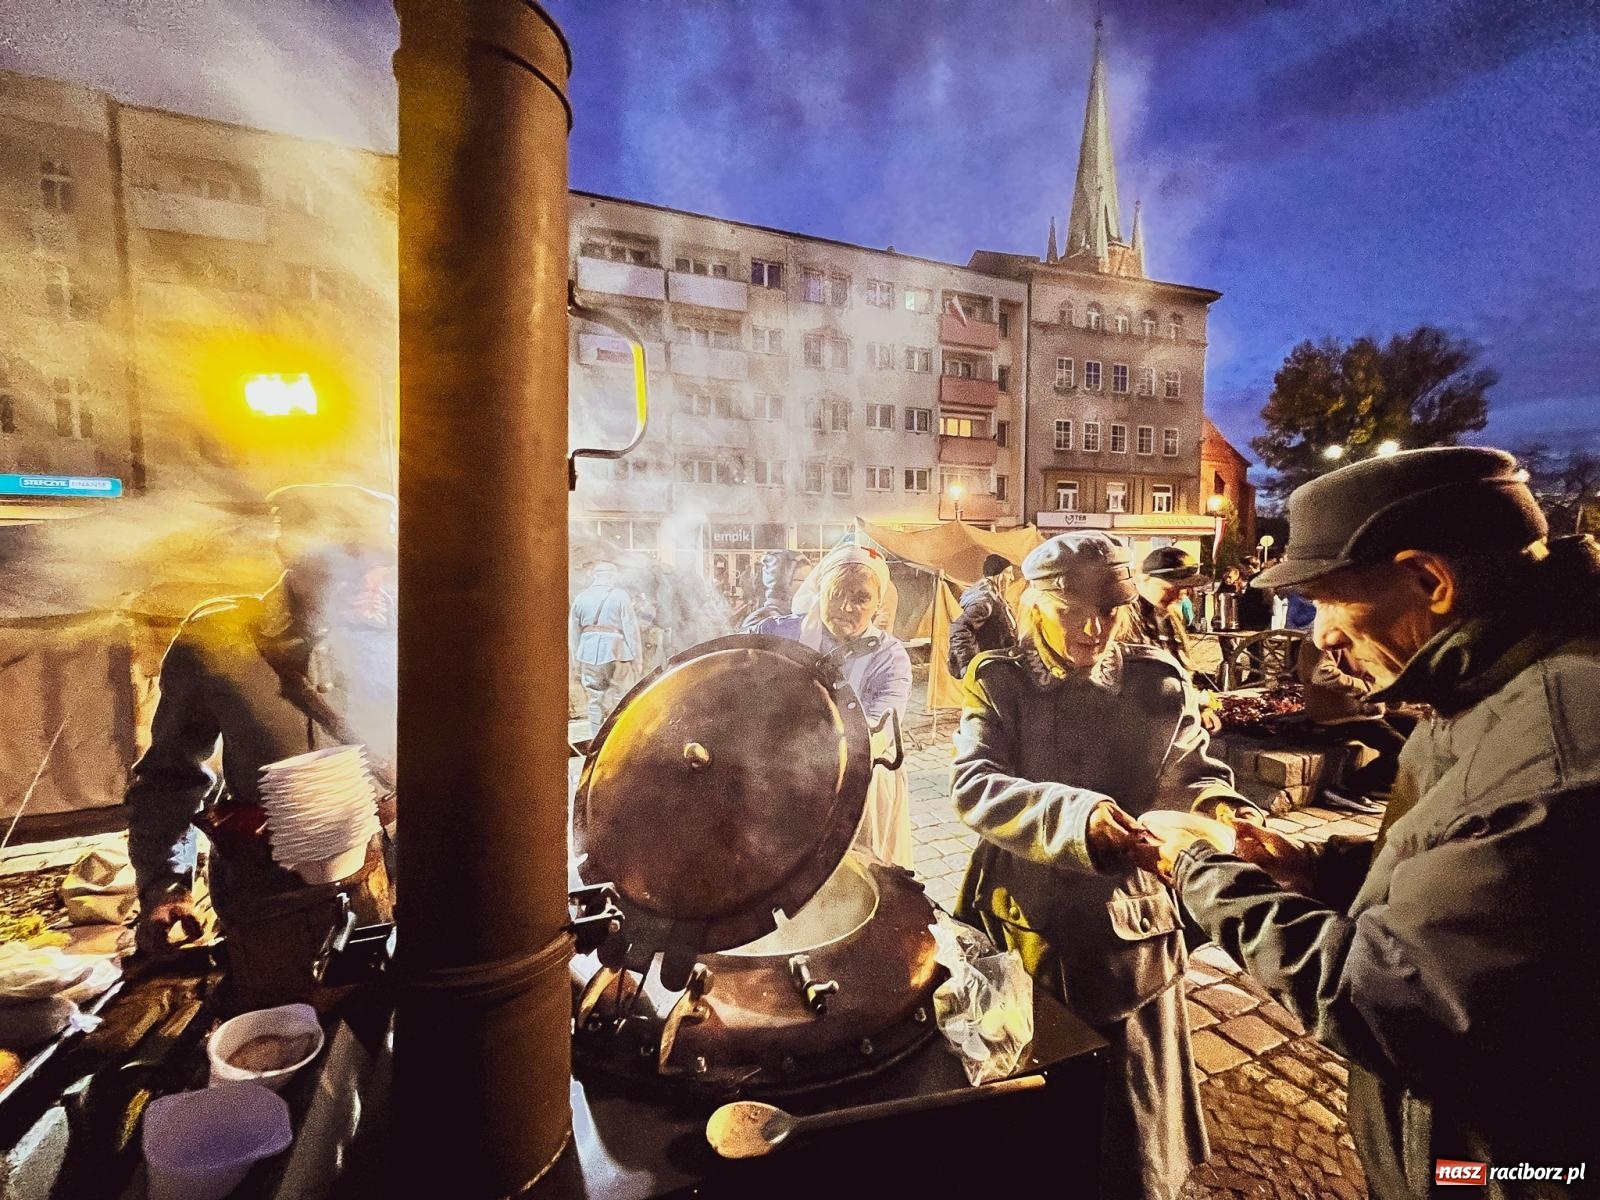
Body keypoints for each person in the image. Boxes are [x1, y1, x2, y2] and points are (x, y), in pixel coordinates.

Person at [1155, 447, 1600, 1200]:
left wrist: (1198, 871)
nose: (1320, 637)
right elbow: (1473, 874)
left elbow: (1389, 999)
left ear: (1430, 580)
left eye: (1330, 600)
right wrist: (1322, 871)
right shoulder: (1484, 683)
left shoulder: (1558, 750)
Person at [951, 532, 1259, 1200]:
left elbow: (1192, 774)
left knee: (1130, 1111)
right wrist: (1074, 818)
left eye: (1111, 610)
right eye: (1071, 612)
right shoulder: (998, 681)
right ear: (1035, 605)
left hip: (1132, 927)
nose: (1093, 629)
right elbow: (973, 784)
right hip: (1024, 922)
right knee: (1029, 1092)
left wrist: (1227, 814)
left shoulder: (1155, 682)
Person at [127, 484, 397, 1009]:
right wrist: (165, 884)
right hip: (269, 897)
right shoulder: (219, 640)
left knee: (379, 1034)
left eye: (379, 560)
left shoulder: (406, 632)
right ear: (291, 555)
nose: (370, 581)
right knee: (281, 1032)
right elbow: (169, 777)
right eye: (346, 560)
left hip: (383, 880)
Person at [755, 544, 913, 867]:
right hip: (780, 777)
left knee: (852, 873)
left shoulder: (889, 656)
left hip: (860, 783)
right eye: (836, 593)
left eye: (861, 598)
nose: (847, 607)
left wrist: (816, 756)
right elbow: (739, 672)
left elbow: (877, 728)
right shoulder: (779, 632)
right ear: (819, 591)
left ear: (877, 603)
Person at [1294, 641, 1405, 813]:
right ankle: (1346, 789)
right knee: (1400, 749)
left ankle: (1379, 782)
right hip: (1338, 715)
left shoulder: (1362, 636)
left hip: (1368, 710)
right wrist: (1367, 689)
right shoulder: (1320, 638)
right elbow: (1321, 674)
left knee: (1421, 729)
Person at [1133, 546, 1222, 733]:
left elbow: (1182, 671)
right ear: (1145, 580)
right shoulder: (1125, 618)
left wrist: (1200, 707)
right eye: (1169, 588)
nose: (1178, 595)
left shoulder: (1172, 617)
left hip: (1174, 722)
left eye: (1183, 589)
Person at [569, 560, 641, 735]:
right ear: (613, 576)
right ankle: (616, 738)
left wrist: (575, 661)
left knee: (595, 698)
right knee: (619, 696)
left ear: (594, 576)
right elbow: (630, 628)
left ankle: (596, 740)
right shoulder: (620, 596)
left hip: (588, 651)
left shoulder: (581, 597)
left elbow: (573, 633)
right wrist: (637, 658)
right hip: (617, 651)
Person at [946, 553, 1017, 679]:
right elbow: (959, 629)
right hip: (990, 670)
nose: (1012, 578)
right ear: (998, 575)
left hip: (998, 666)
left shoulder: (995, 598)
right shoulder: (985, 601)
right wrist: (968, 665)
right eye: (1008, 572)